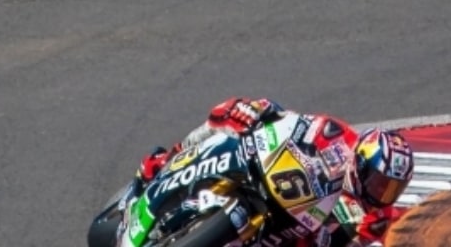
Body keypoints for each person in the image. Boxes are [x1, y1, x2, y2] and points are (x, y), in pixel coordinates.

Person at [134, 97, 415, 247]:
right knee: (231, 117)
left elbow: (363, 242)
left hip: (296, 233)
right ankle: (169, 157)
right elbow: (298, 125)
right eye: (380, 182)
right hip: (280, 183)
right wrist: (264, 113)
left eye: (392, 188)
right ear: (361, 163)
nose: (382, 192)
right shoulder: (340, 135)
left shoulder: (376, 216)